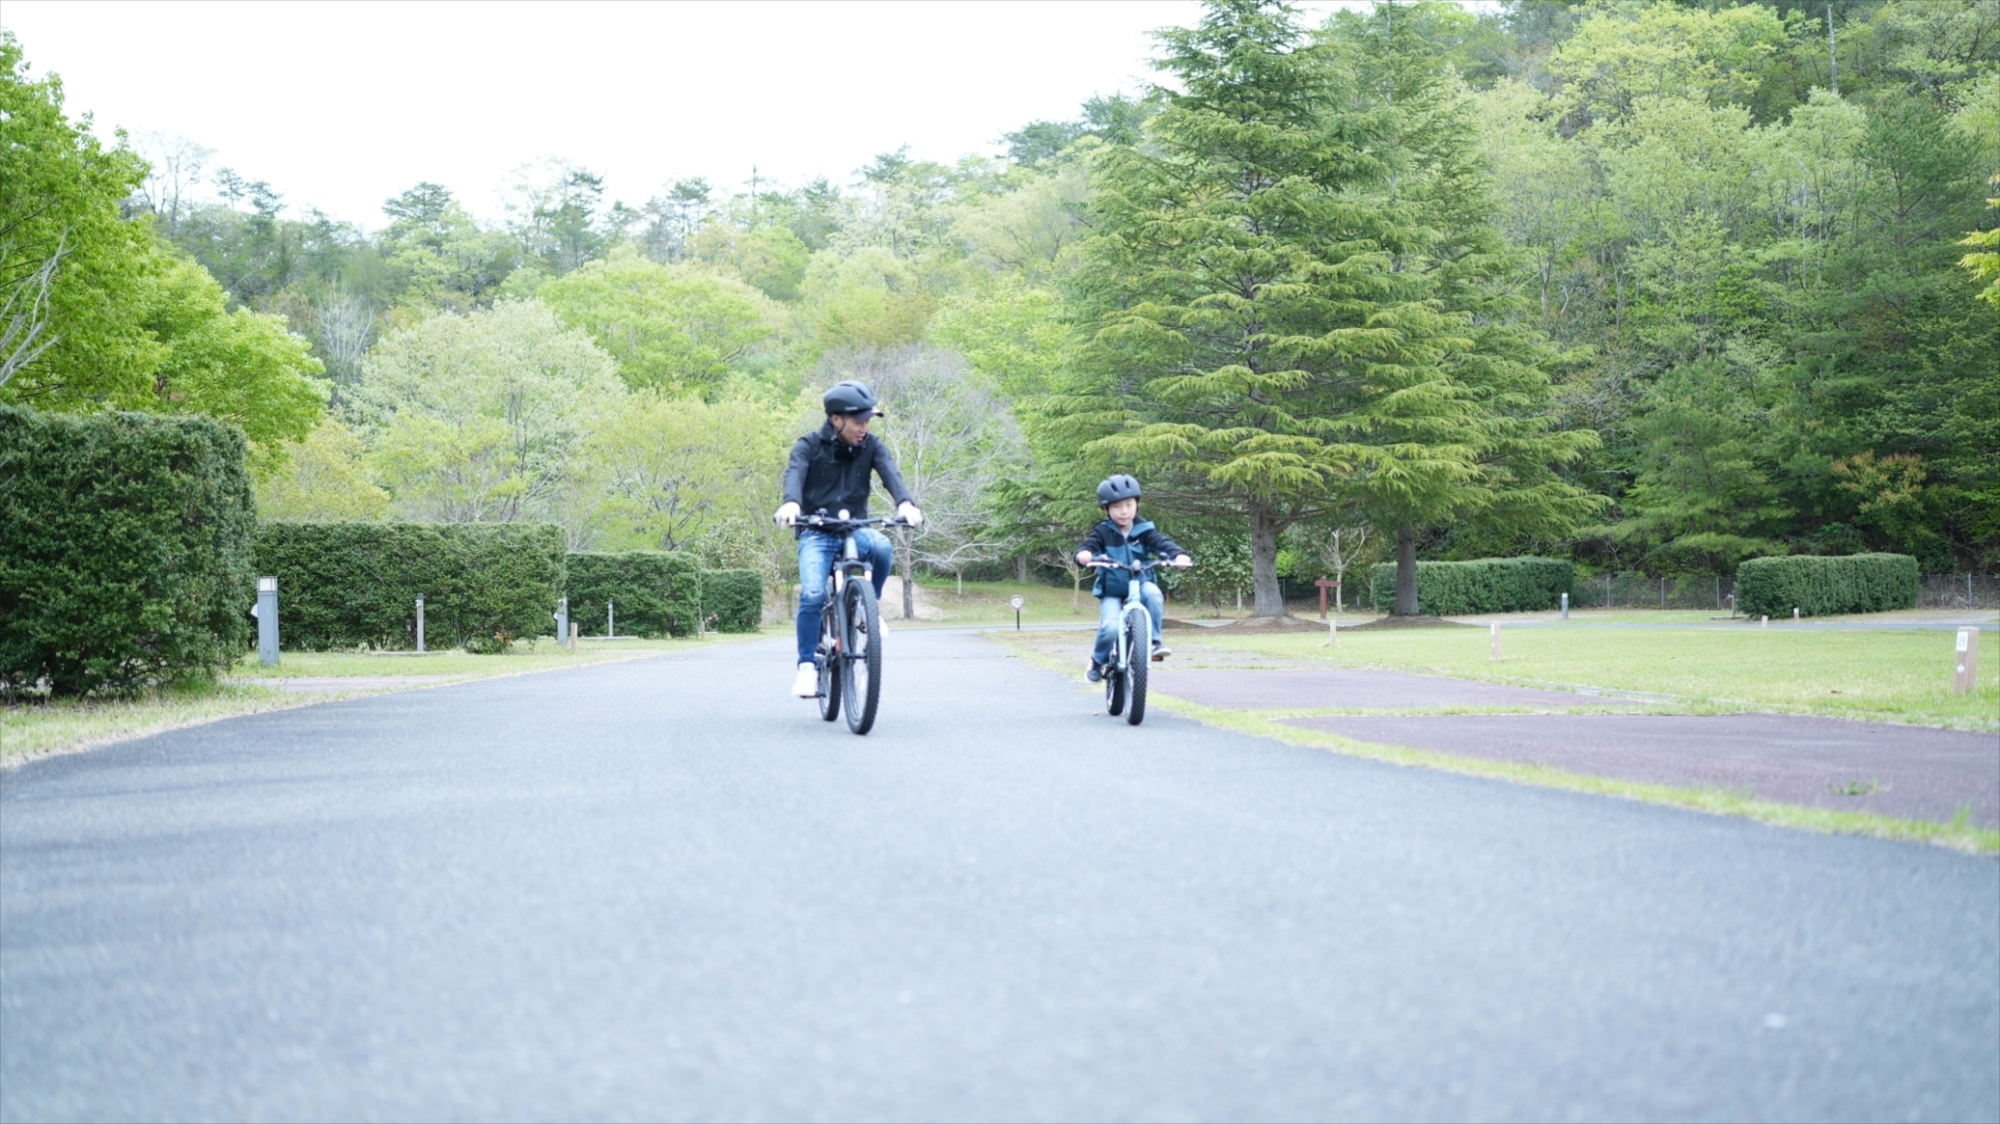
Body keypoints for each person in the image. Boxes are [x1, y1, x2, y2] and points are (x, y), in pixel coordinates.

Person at [774, 380, 923, 698]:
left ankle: (868, 611)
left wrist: (905, 503)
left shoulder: (871, 446)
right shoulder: (809, 445)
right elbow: (795, 473)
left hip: (855, 529)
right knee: (813, 594)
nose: (864, 428)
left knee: (882, 546)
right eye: (858, 421)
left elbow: (890, 472)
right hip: (816, 532)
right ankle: (806, 668)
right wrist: (792, 503)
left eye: (868, 421)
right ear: (836, 419)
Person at [1075, 474, 1190, 683]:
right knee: (1110, 627)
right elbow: (1087, 547)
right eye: (1117, 506)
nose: (1124, 511)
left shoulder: (1145, 531)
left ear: (1136, 504)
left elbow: (1163, 544)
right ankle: (1097, 661)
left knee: (1154, 594)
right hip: (1112, 590)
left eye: (1129, 505)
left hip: (1141, 583)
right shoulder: (1103, 531)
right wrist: (1084, 555)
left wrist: (1179, 555)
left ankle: (1154, 642)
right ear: (1107, 509)